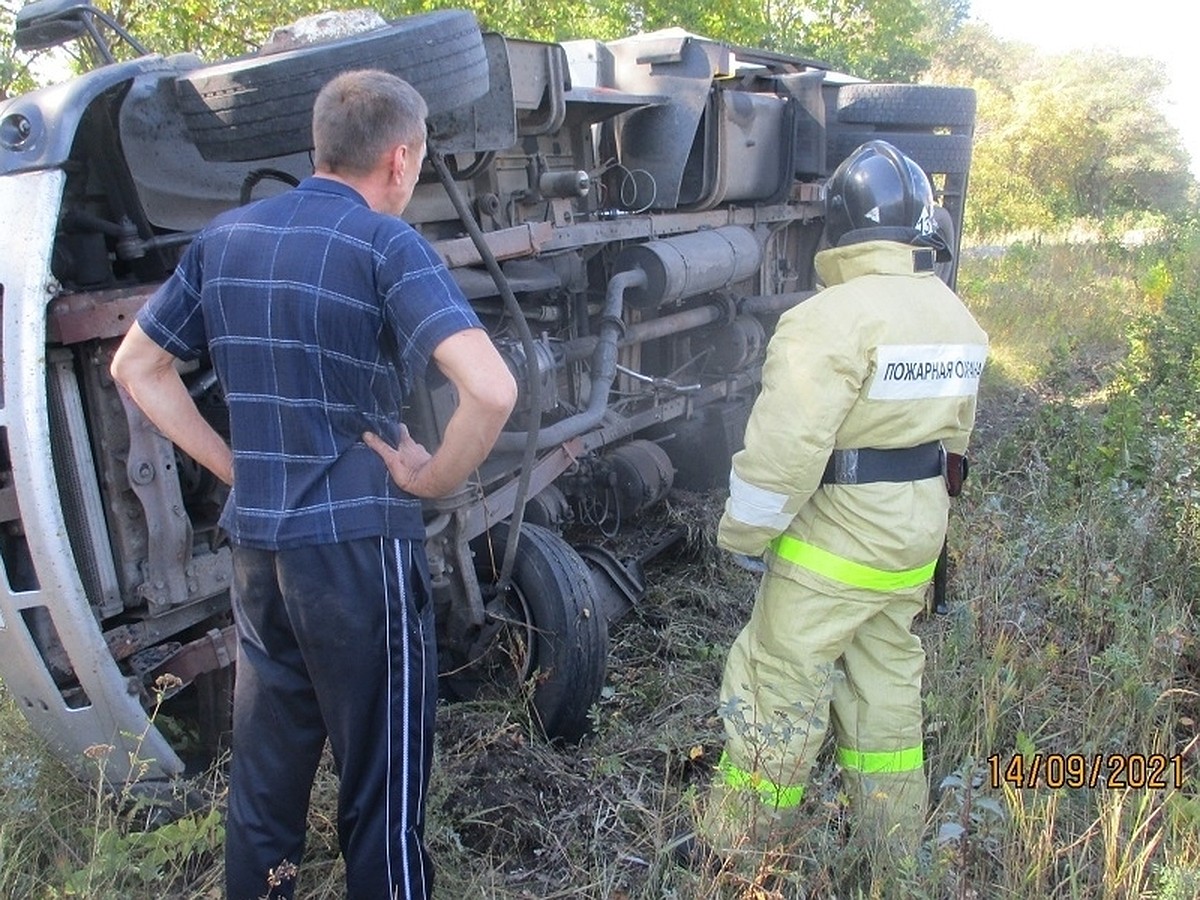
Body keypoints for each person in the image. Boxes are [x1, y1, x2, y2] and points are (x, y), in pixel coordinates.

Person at [111, 70, 517, 899]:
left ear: (321, 146)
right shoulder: (384, 244)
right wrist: (431, 474)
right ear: (400, 160)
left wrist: (235, 467)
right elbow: (493, 389)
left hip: (261, 554)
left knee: (266, 781)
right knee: (383, 785)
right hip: (358, 552)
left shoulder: (223, 239)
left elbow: (137, 367)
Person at [702, 140, 988, 858]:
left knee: (778, 688)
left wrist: (741, 535)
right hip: (910, 549)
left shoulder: (829, 319)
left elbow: (783, 456)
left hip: (831, 554)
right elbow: (956, 443)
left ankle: (740, 854)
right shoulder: (954, 316)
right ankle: (892, 854)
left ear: (841, 225)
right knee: (885, 691)